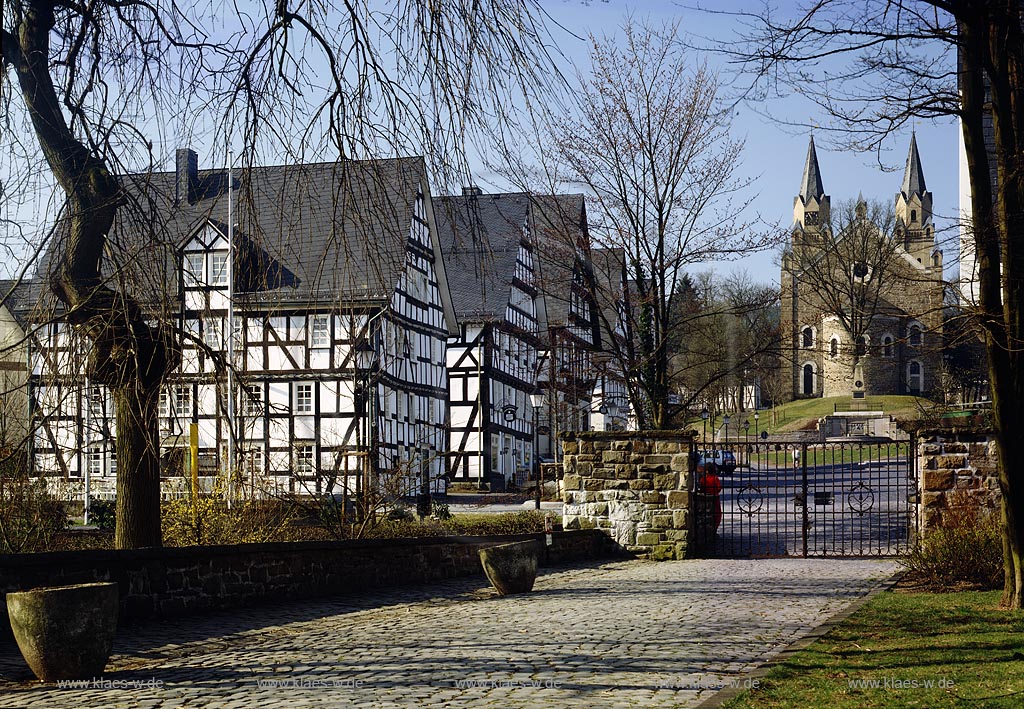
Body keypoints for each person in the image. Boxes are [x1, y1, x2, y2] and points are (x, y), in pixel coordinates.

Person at [697, 462, 723, 531]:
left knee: (706, 514)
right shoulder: (715, 478)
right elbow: (719, 488)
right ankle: (715, 528)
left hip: (705, 498)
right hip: (715, 498)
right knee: (717, 514)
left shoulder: (703, 479)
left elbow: (702, 488)